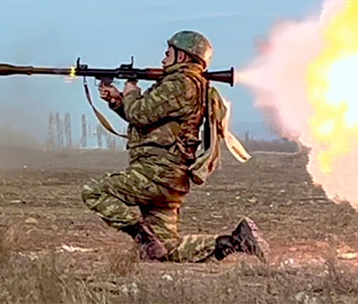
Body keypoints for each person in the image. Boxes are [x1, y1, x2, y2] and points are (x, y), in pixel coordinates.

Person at [80, 30, 268, 262]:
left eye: (169, 52)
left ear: (183, 56)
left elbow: (139, 113)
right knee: (166, 250)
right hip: (169, 179)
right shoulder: (187, 85)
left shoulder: (181, 84)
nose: (163, 57)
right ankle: (235, 241)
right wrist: (119, 102)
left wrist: (130, 93)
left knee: (94, 191)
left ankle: (144, 238)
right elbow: (150, 120)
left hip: (156, 174)